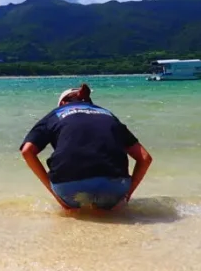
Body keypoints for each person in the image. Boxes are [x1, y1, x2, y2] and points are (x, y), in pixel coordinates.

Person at [19, 83, 153, 212]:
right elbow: (145, 158)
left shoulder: (55, 114)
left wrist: (55, 193)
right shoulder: (108, 115)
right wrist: (126, 196)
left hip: (68, 186)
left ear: (62, 103)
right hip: (114, 186)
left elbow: (27, 151)